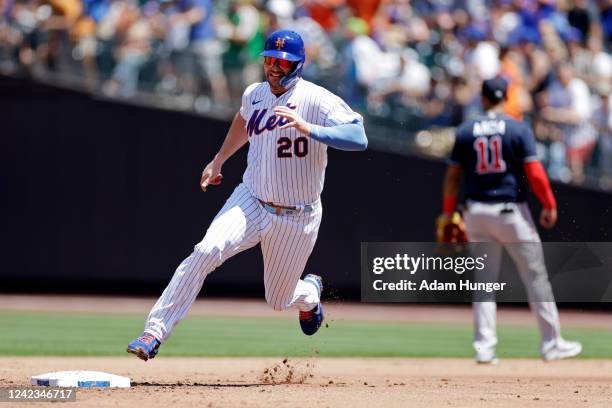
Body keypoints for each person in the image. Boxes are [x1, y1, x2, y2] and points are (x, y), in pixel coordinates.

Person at [126, 29, 368, 361]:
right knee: (205, 251)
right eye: (270, 59)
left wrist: (309, 128)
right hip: (251, 200)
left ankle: (309, 294)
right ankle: (154, 332)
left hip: (298, 216)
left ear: (297, 65)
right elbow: (243, 120)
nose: (274, 67)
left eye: (283, 62)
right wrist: (219, 159)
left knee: (278, 299)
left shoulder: (316, 99)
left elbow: (358, 137)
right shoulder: (254, 94)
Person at [439, 77, 582, 364]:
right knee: (535, 277)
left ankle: (484, 348)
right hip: (510, 212)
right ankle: (551, 344)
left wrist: (447, 211)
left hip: (476, 213)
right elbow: (536, 172)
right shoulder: (518, 127)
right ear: (506, 98)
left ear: (483, 99)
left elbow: (453, 178)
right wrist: (549, 204)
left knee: (484, 283)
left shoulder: (466, 130)